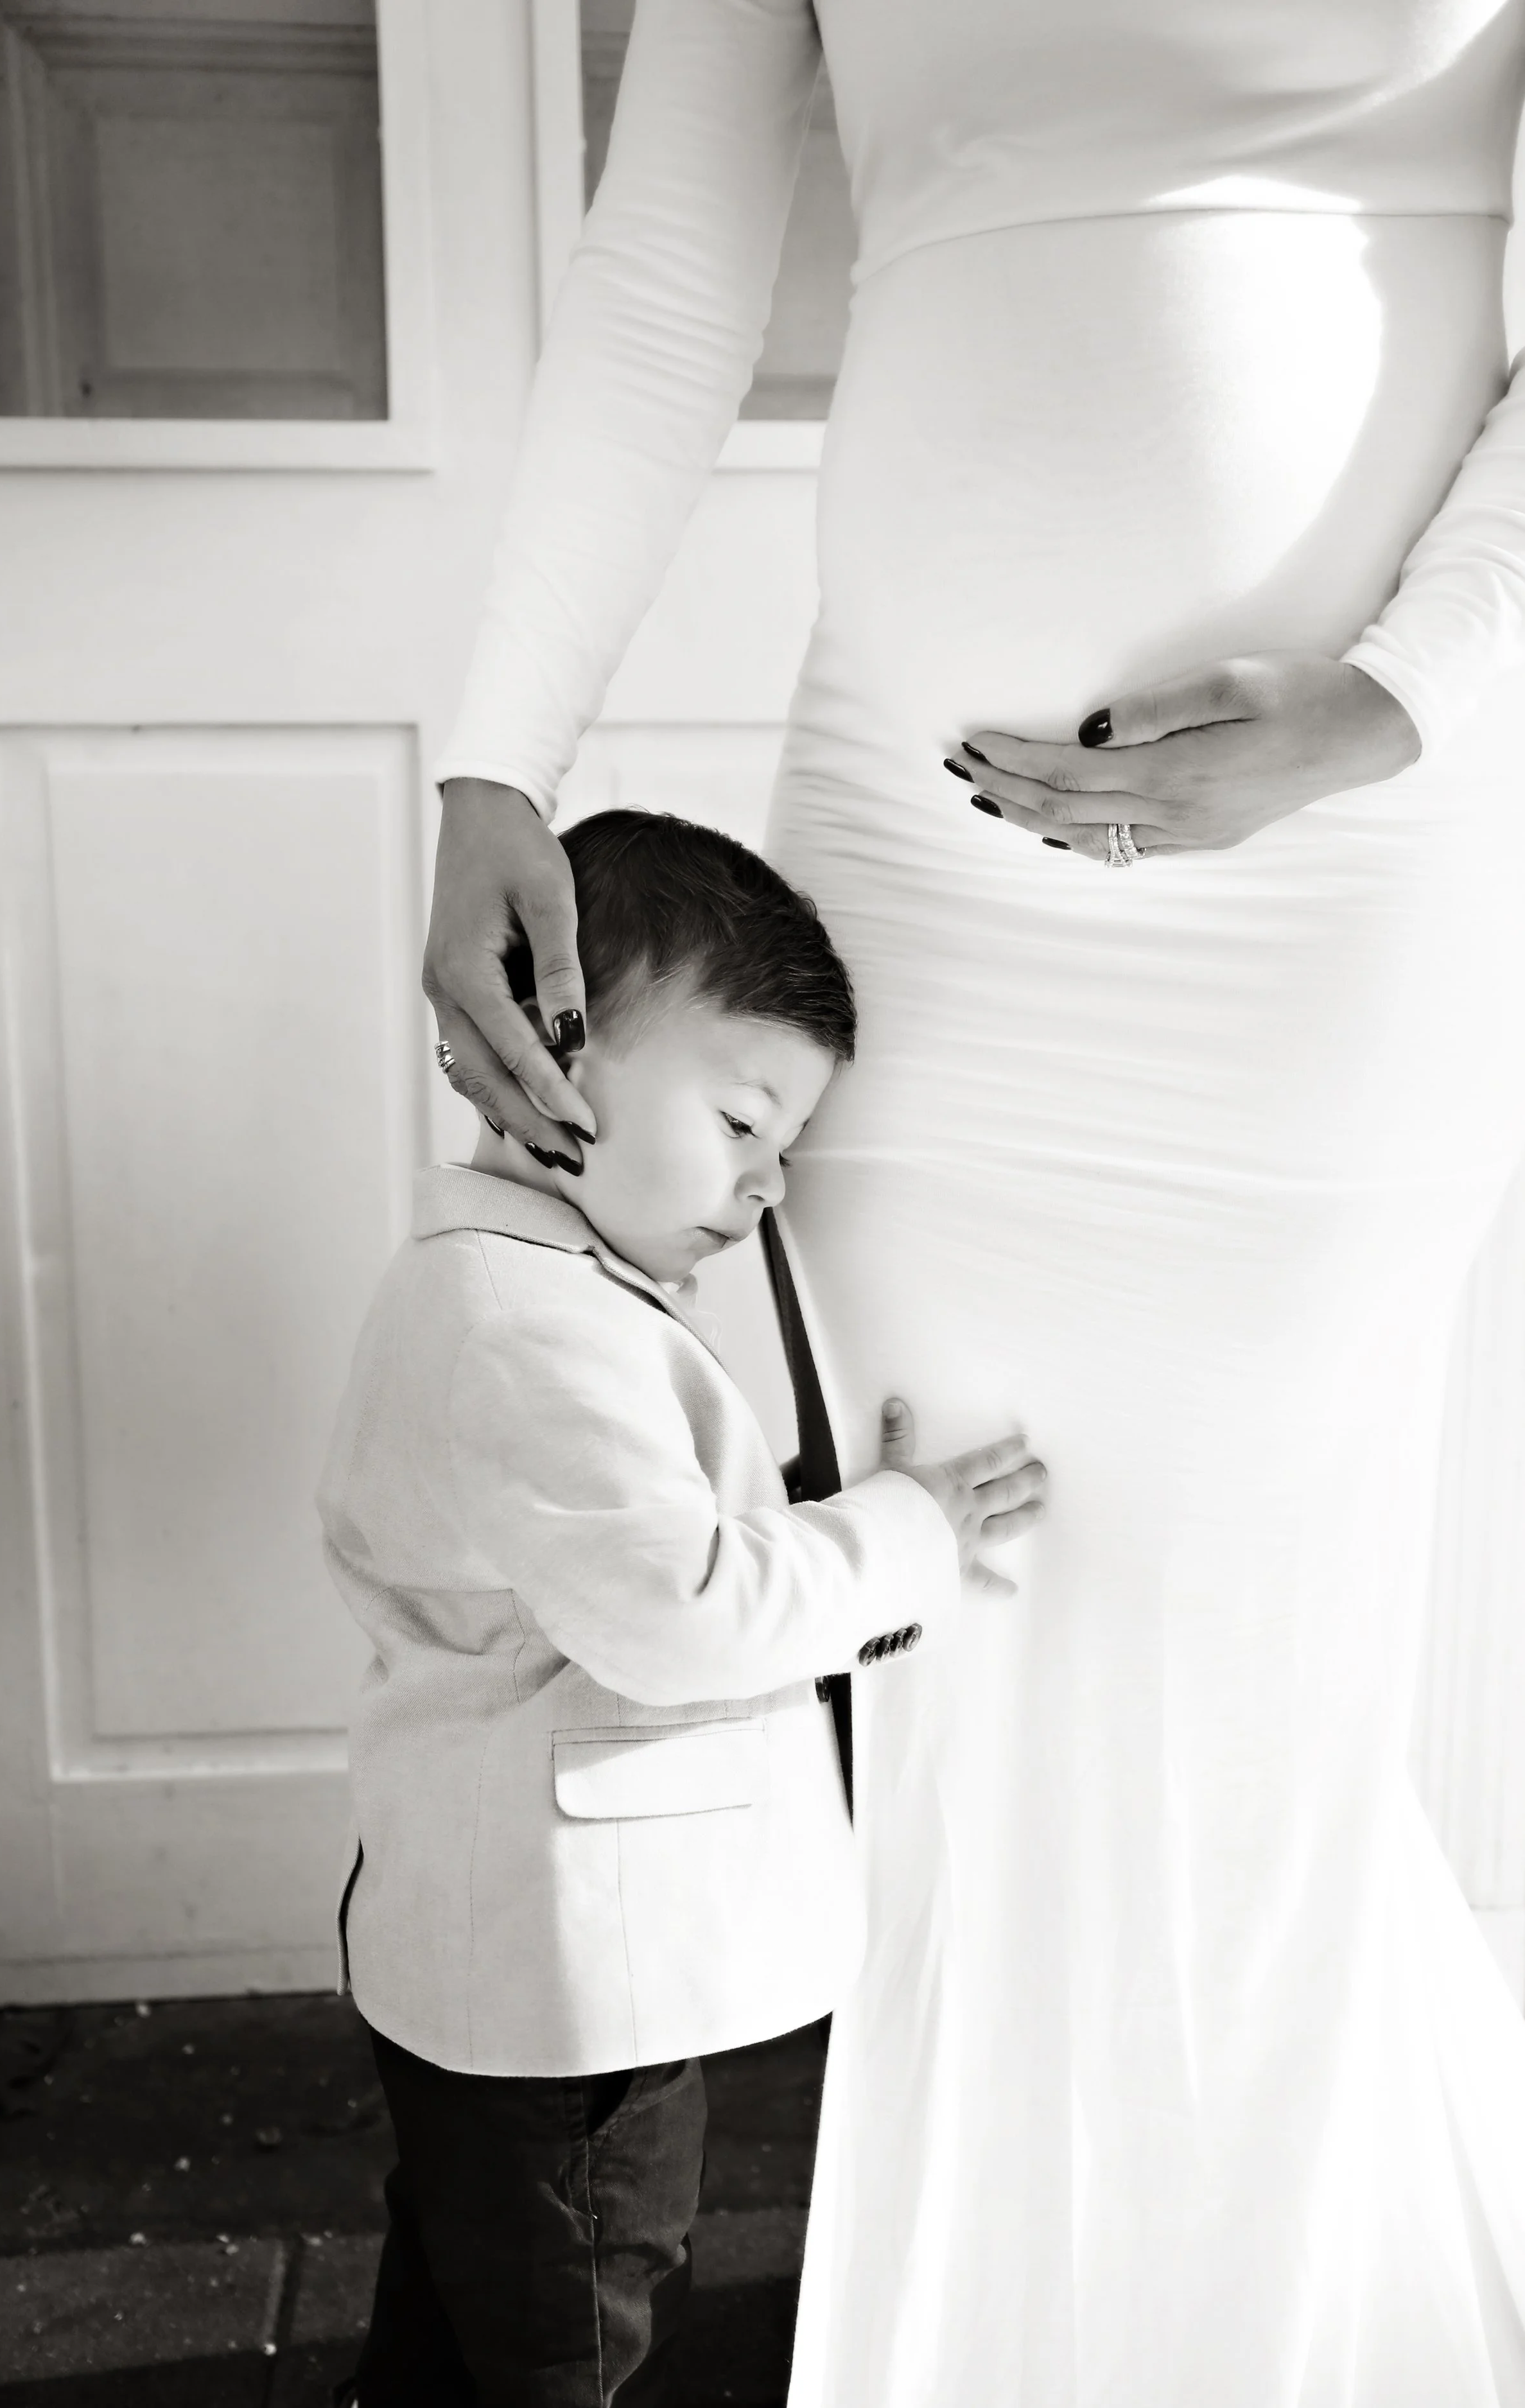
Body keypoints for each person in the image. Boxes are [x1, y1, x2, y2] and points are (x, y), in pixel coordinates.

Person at [422, 6, 1525, 2400]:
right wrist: (497, 744)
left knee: (1264, 1708)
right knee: (972, 1661)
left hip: (1348, 879)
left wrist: (1397, 695)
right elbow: (668, 264)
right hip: (925, 886)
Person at [318, 809, 1045, 2404]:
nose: (770, 1183)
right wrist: (900, 1535)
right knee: (576, 2309)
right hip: (567, 1983)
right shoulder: (529, 1327)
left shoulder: (536, 1289)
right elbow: (682, 1613)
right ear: (556, 1046)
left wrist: (825, 1499)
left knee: (469, 2281)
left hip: (495, 1951)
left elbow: (628, 1540)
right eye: (740, 1122)